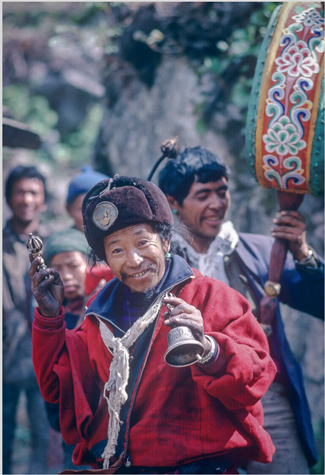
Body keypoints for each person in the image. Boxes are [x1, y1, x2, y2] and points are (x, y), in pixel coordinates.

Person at [30, 175, 276, 474]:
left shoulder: (209, 296)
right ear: (105, 258)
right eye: (117, 250)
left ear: (166, 240)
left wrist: (209, 348)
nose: (133, 260)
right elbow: (60, 386)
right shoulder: (99, 317)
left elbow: (256, 372)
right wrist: (49, 318)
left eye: (142, 242)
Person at [158, 145, 324, 474]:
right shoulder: (161, 264)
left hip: (263, 394)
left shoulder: (258, 251)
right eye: (203, 195)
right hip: (193, 400)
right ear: (173, 204)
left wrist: (304, 255)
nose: (217, 204)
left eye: (222, 192)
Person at [42, 228, 113, 470]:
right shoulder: (49, 316)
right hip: (70, 430)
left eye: (73, 265)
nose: (66, 276)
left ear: (89, 265)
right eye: (57, 269)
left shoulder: (109, 304)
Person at [3, 165, 52, 474]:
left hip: (43, 353)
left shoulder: (55, 244)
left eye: (33, 192)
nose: (26, 199)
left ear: (43, 200)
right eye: (20, 191)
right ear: (9, 197)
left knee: (46, 440)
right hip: (4, 355)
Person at [66, 165, 109, 232]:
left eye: (100, 208)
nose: (91, 216)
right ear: (68, 209)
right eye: (83, 209)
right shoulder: (64, 240)